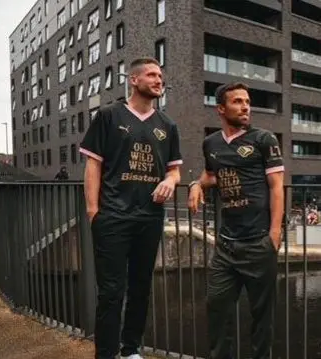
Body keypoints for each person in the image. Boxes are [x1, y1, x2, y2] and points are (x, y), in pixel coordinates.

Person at [79, 57, 182, 359]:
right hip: (112, 216)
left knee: (141, 288)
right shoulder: (109, 116)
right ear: (133, 80)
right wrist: (93, 212)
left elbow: (175, 169)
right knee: (111, 292)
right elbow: (93, 165)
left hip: (149, 217)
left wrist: (171, 181)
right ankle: (106, 354)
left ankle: (131, 349)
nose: (158, 80)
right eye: (151, 74)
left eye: (161, 75)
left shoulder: (168, 125)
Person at [188, 82, 284, 359]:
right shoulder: (211, 143)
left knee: (261, 319)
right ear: (221, 108)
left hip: (258, 244)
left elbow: (277, 186)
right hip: (226, 246)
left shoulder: (264, 139)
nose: (245, 107)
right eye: (237, 101)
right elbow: (212, 175)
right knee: (217, 310)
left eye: (247, 101)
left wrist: (274, 234)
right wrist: (196, 184)